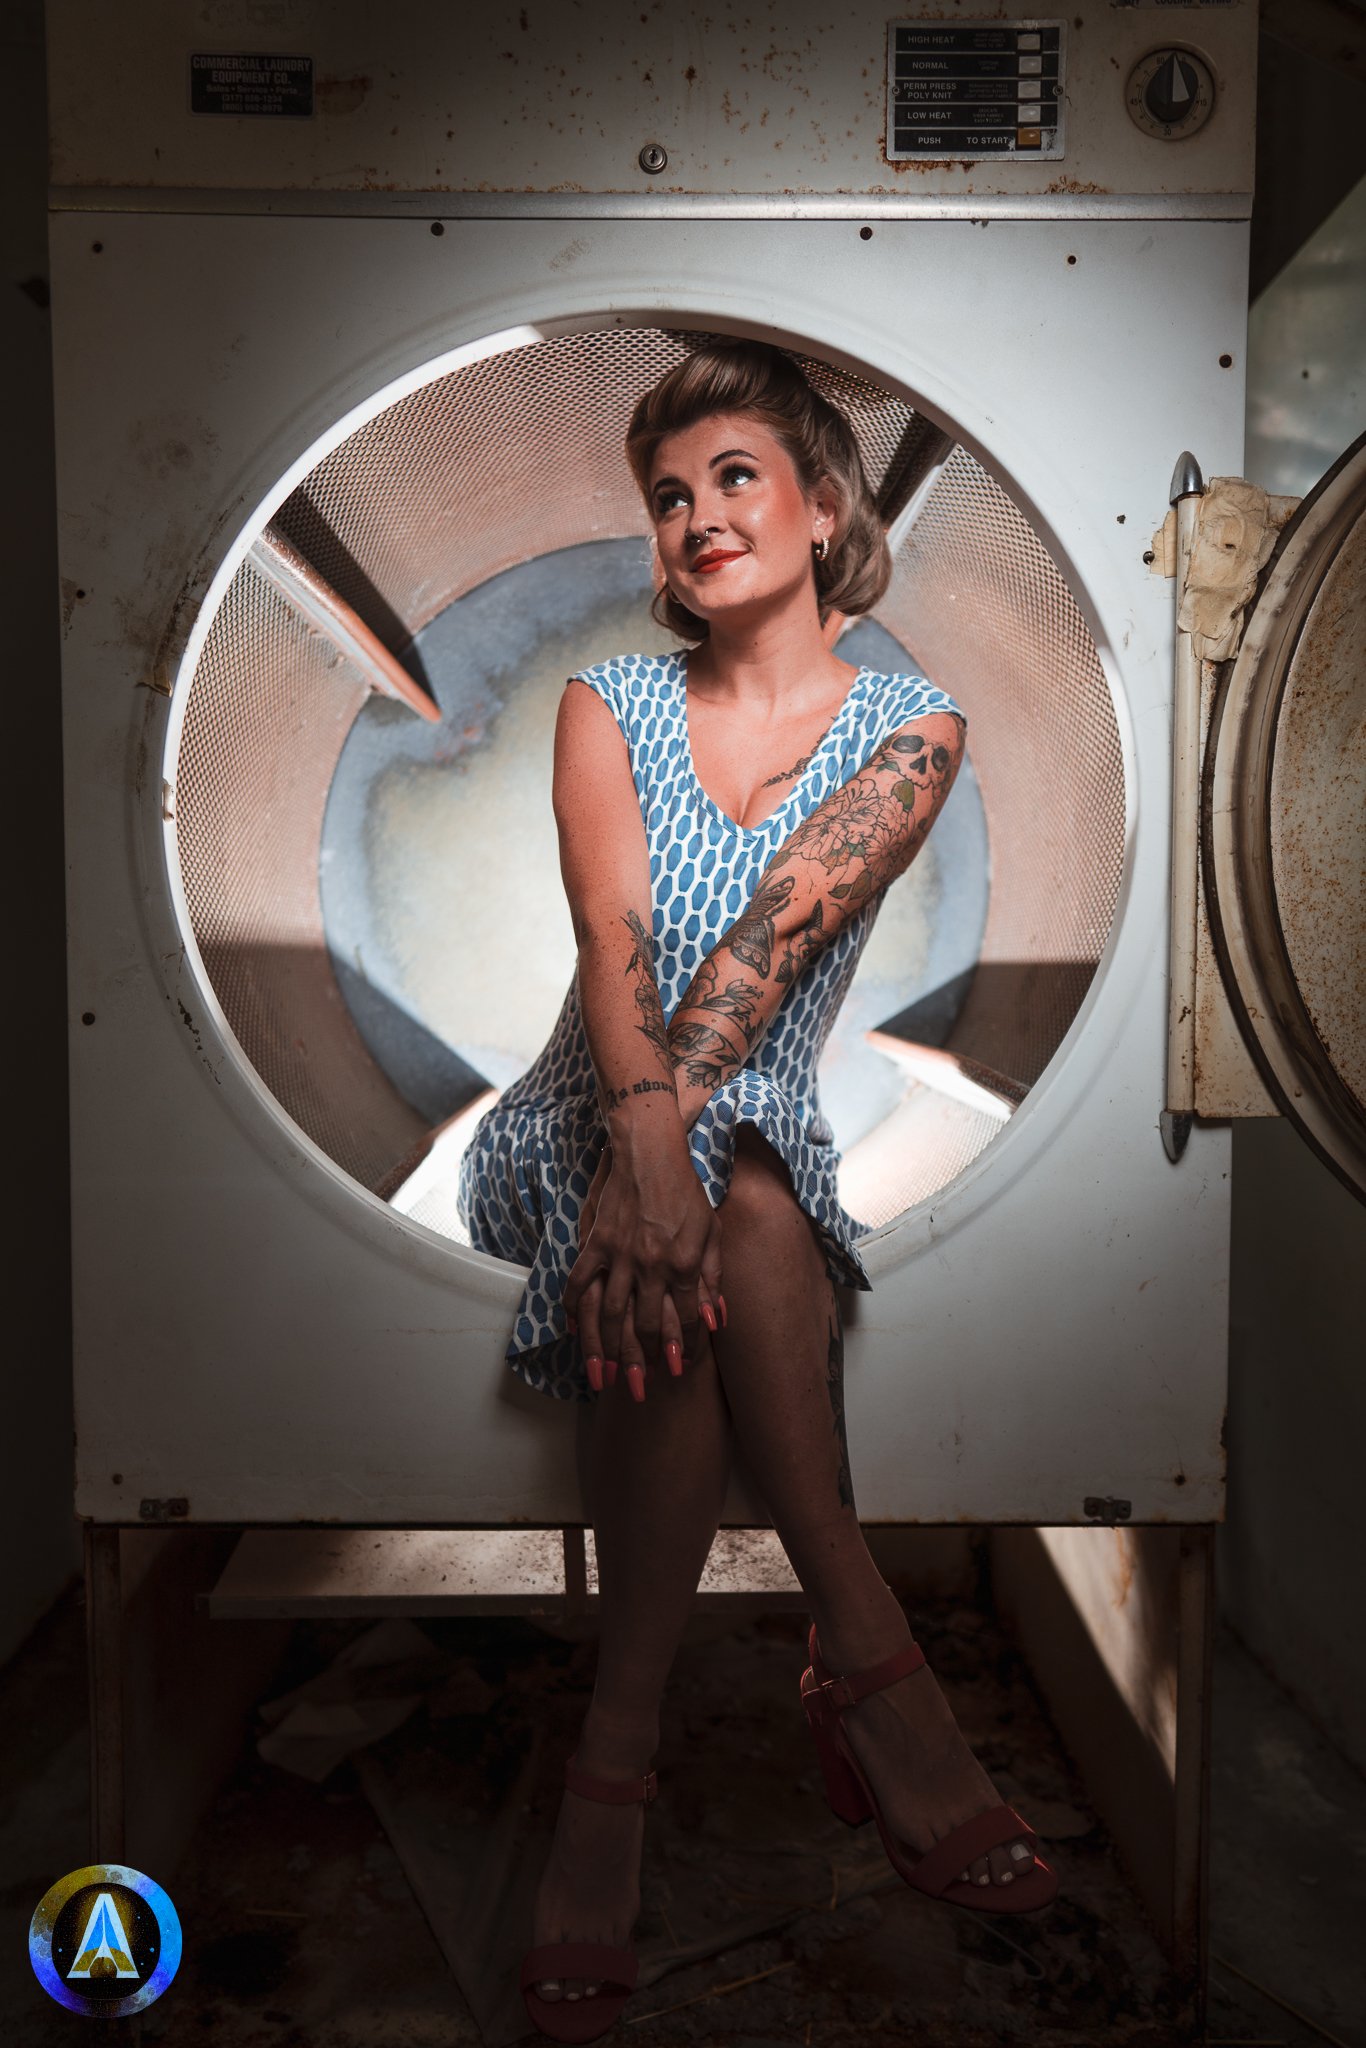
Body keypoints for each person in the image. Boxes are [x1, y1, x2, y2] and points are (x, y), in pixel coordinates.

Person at [456, 341, 1056, 2043]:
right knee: (731, 1201)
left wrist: (681, 1156)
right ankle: (867, 1666)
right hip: (584, 1099)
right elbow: (613, 950)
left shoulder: (910, 729)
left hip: (745, 1111)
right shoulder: (610, 704)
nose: (697, 517)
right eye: (667, 496)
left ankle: (610, 1767)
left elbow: (768, 938)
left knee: (746, 1199)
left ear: (819, 503)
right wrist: (643, 1142)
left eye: (732, 476)